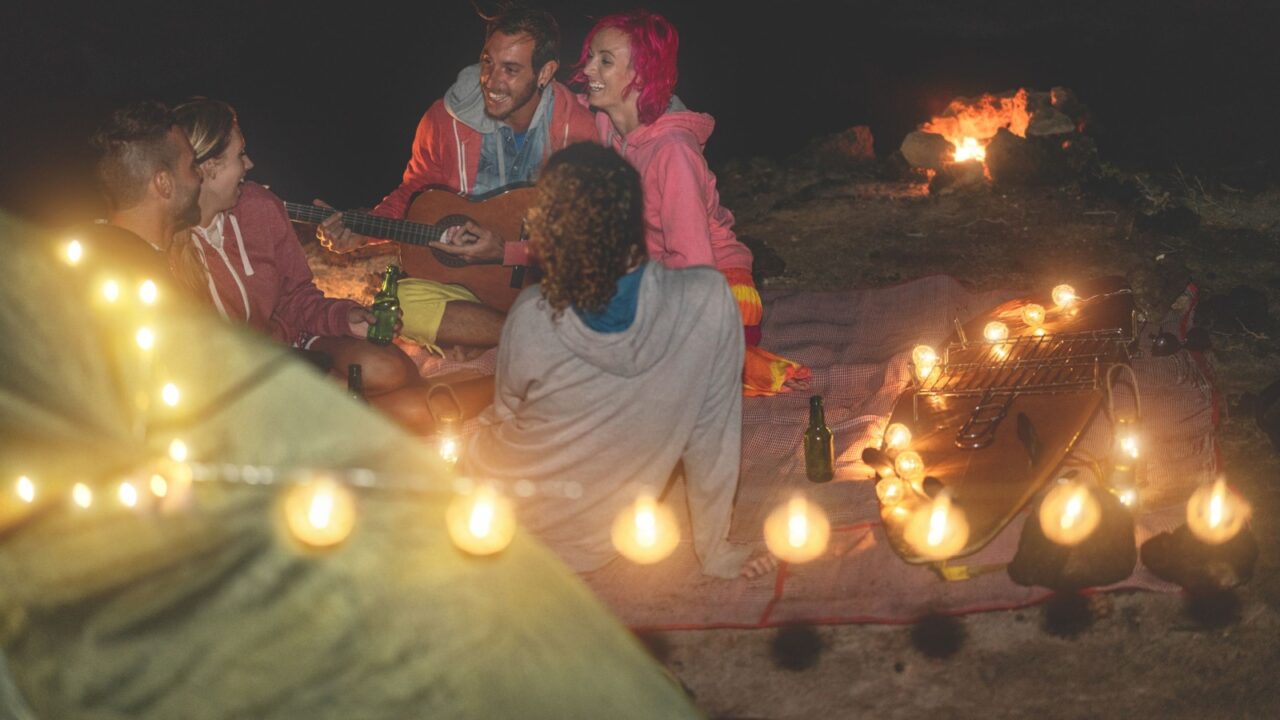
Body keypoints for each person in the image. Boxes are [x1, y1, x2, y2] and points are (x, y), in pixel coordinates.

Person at [463, 143, 770, 579]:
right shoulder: (708, 298)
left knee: (465, 429)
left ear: (552, 231)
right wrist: (714, 548)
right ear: (636, 219)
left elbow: (508, 412)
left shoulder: (535, 313)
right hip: (597, 543)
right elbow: (712, 433)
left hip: (496, 525)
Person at [170, 98, 491, 432]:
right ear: (208, 168)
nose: (249, 164)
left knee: (386, 366)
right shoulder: (166, 242)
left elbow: (296, 297)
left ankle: (407, 408)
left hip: (293, 344)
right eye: (240, 155)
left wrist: (346, 318)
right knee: (393, 409)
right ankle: (481, 394)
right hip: (239, 384)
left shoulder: (259, 206)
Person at [315, 2, 596, 353]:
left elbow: (588, 242)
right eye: (488, 62)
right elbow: (415, 195)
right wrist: (363, 229)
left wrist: (505, 252)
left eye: (511, 69)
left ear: (545, 72)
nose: (492, 81)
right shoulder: (444, 120)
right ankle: (529, 339)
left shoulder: (578, 132)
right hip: (472, 291)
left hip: (550, 286)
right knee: (399, 304)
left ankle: (502, 339)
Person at [576, 10, 810, 397]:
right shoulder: (610, 128)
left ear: (640, 75)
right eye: (590, 57)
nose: (587, 69)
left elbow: (694, 267)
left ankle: (734, 361)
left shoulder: (673, 154)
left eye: (604, 60)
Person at [80, 100, 204, 279]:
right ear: (164, 183)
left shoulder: (99, 258)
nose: (200, 175)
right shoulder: (125, 282)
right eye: (192, 166)